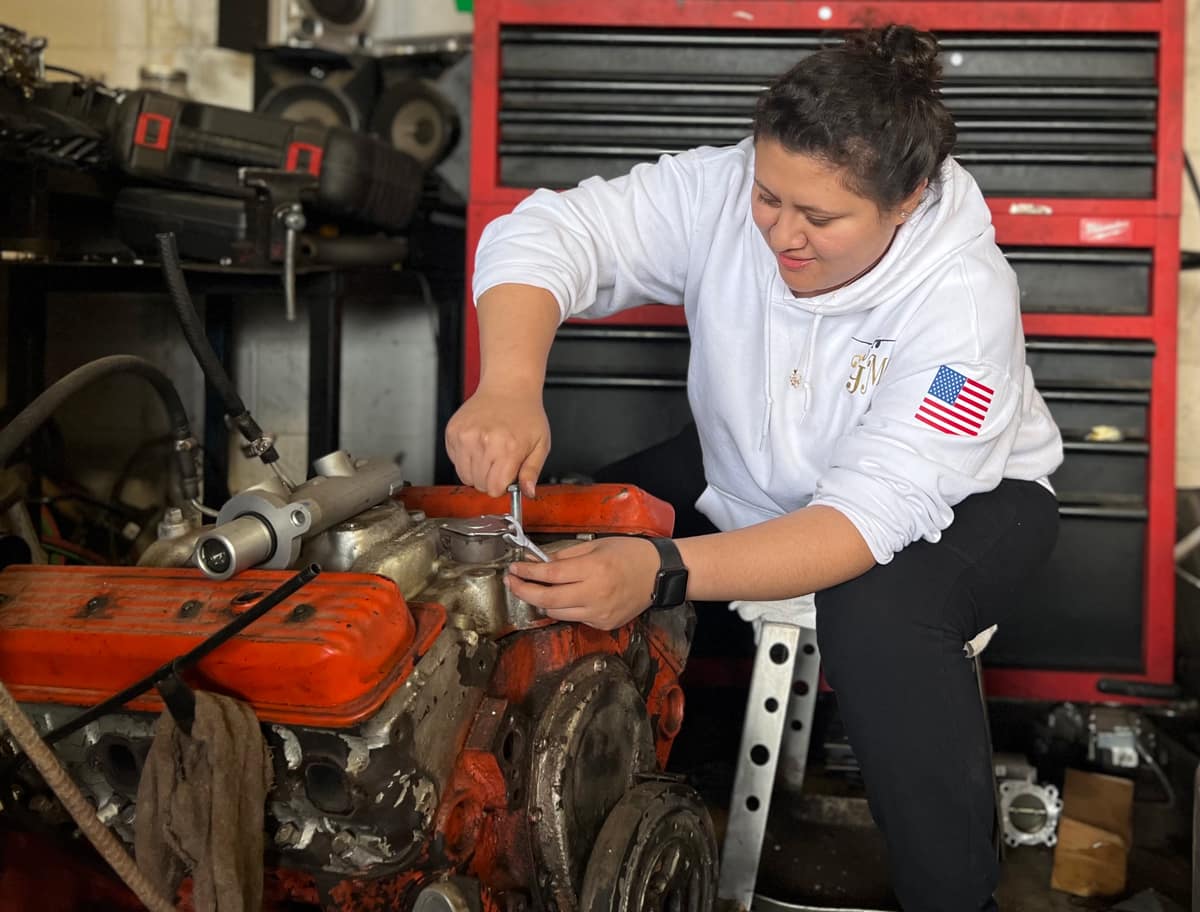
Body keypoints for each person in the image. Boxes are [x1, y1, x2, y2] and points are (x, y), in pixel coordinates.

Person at [446, 23, 1063, 911]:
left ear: (909, 198)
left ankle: (956, 894)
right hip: (754, 463)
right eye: (771, 199)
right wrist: (507, 385)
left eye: (821, 216)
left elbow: (863, 522)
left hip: (969, 503)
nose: (784, 232)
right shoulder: (723, 187)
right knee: (566, 536)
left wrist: (662, 571)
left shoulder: (963, 303)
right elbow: (549, 232)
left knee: (880, 616)